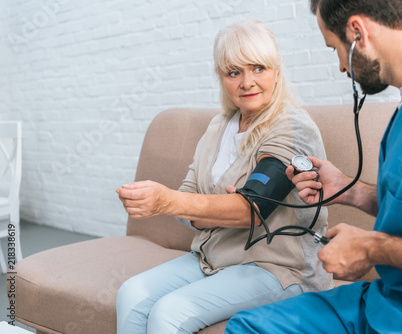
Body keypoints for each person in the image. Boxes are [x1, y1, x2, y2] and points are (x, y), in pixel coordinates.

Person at [226, 0, 402, 333]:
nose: (342, 66)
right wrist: (350, 191)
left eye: (336, 49)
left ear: (358, 32)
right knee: (248, 326)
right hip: (390, 301)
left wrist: (372, 247)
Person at [115, 19, 332, 334]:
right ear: (221, 78)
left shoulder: (292, 127)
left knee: (169, 312)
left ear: (276, 70)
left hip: (278, 268)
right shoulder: (218, 127)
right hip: (212, 258)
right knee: (131, 294)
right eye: (234, 72)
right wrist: (216, 206)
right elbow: (189, 194)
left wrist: (173, 202)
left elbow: (253, 209)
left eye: (258, 68)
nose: (247, 82)